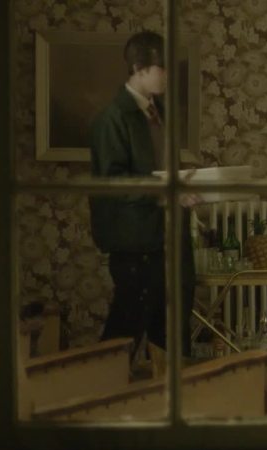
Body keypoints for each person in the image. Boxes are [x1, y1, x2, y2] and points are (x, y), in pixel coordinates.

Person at [89, 31, 199, 371]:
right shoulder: (112, 119)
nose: (167, 76)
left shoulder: (161, 113)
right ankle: (96, 393)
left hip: (170, 239)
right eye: (161, 68)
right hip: (138, 243)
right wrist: (166, 191)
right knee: (127, 326)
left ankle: (168, 398)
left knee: (172, 331)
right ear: (139, 68)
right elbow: (112, 183)